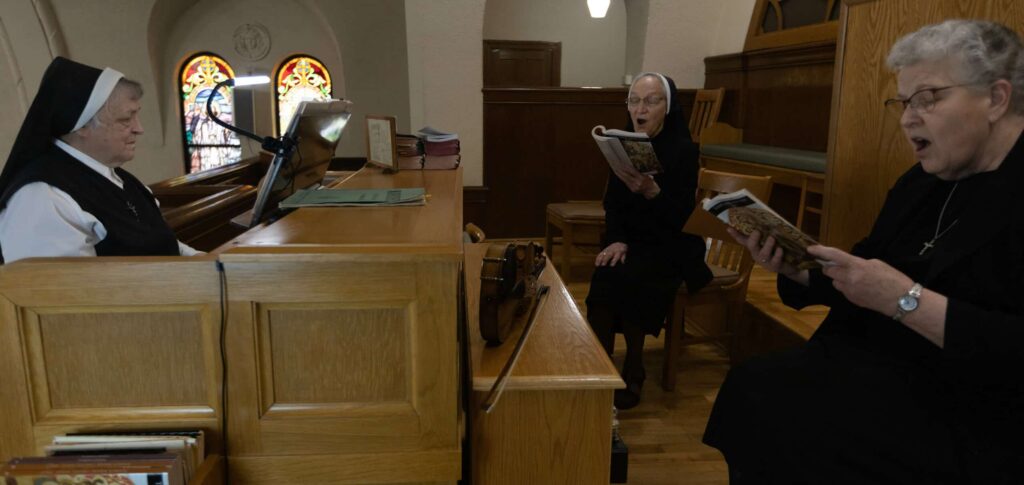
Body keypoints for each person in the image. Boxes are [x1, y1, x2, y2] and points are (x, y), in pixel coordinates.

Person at [703, 19, 1024, 484]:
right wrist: (797, 266)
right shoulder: (920, 183)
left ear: (996, 98)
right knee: (756, 387)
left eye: (927, 98)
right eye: (903, 102)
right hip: (882, 369)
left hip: (973, 409)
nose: (907, 118)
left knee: (793, 417)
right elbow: (868, 265)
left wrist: (904, 300)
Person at [585, 72, 712, 410]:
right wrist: (615, 240)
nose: (640, 109)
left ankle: (634, 369)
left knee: (634, 274)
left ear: (667, 107)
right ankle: (599, 369)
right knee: (606, 271)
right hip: (632, 241)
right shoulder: (622, 144)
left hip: (674, 243)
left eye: (651, 101)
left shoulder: (684, 151)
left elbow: (684, 220)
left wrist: (653, 192)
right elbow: (613, 204)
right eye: (634, 101)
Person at [0, 56, 201, 263]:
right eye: (125, 119)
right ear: (82, 126)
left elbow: (164, 246)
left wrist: (209, 263)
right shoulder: (43, 197)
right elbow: (59, 290)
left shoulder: (122, 180)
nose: (139, 129)